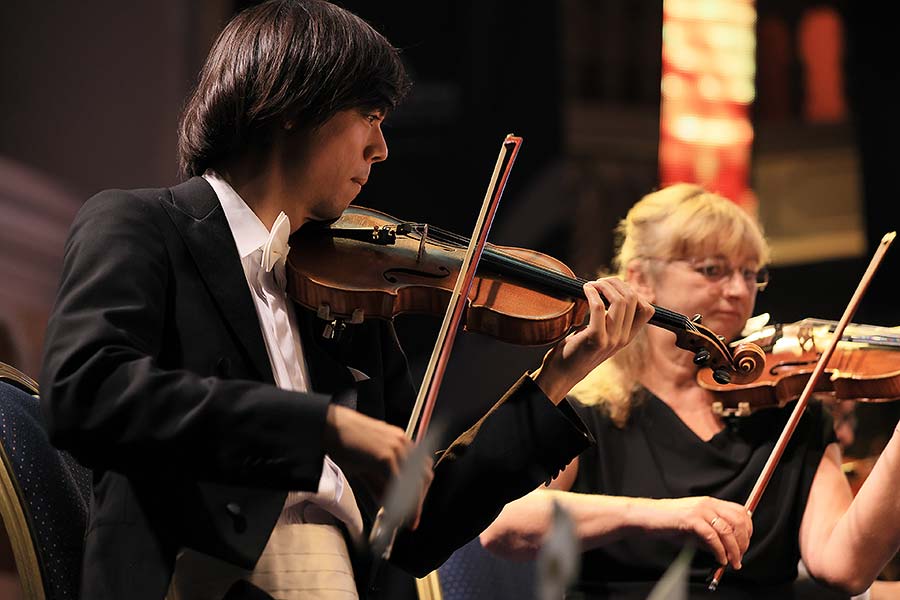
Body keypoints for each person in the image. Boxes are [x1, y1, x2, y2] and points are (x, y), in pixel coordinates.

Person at [38, 2, 653, 599]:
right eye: (372, 115)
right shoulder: (141, 225)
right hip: (201, 571)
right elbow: (85, 391)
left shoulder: (343, 289)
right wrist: (324, 427)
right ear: (293, 103)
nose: (382, 149)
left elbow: (420, 526)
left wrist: (559, 375)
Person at [480, 184, 900, 599]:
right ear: (640, 278)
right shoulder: (588, 410)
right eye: (712, 270)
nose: (738, 291)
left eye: (751, 273)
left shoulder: (793, 412)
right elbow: (504, 525)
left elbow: (843, 568)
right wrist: (658, 515)